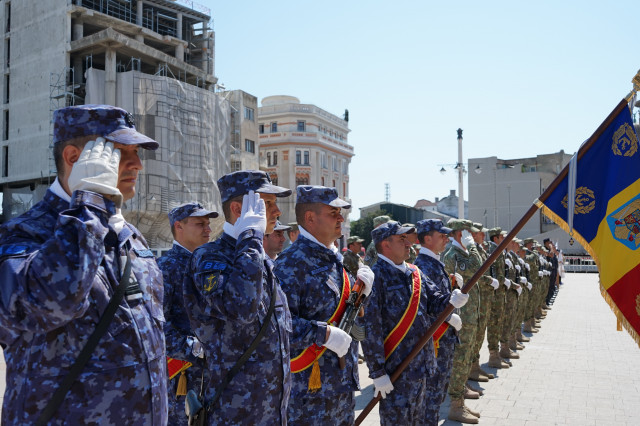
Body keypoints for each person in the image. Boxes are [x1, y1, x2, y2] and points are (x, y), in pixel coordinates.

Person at [0, 104, 167, 424]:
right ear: (74, 158)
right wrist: (89, 202)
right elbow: (52, 301)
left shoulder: (132, 237)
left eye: (136, 152)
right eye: (120, 152)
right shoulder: (22, 235)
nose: (137, 164)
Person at [182, 170, 292, 424]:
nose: (277, 211)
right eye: (268, 203)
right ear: (237, 208)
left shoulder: (259, 258)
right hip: (234, 412)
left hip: (272, 410)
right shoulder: (210, 257)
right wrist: (251, 236)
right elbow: (242, 308)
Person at [274, 185, 374, 426]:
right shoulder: (290, 264)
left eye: (340, 213)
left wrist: (363, 296)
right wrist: (323, 334)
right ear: (310, 218)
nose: (341, 218)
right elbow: (277, 327)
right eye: (333, 213)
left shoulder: (336, 261)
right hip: (308, 396)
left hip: (340, 387)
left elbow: (353, 318)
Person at [361, 220, 468, 426]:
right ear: (386, 244)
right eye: (402, 239)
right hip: (396, 371)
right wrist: (377, 372)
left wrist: (452, 300)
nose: (409, 243)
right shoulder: (376, 277)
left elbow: (435, 302)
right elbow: (370, 329)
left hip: (422, 366)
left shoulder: (415, 272)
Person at [157, 202, 218, 425]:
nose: (208, 229)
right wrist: (194, 347)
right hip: (181, 377)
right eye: (200, 224)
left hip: (212, 374)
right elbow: (156, 325)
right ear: (179, 226)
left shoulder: (210, 265)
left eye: (208, 224)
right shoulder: (165, 267)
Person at [413, 219, 465, 425]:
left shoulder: (434, 262)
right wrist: (450, 318)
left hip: (443, 340)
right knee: (430, 398)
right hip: (436, 341)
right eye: (441, 236)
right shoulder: (424, 265)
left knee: (437, 394)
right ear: (427, 239)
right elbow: (425, 304)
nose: (446, 239)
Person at [442, 219, 484, 424]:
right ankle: (455, 406)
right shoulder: (454, 255)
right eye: (469, 232)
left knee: (466, 356)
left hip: (469, 313)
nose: (473, 236)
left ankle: (461, 392)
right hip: (462, 316)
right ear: (460, 234)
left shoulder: (463, 253)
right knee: (460, 358)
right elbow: (478, 267)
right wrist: (473, 247)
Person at [469, 223, 499, 384]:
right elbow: (475, 274)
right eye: (481, 233)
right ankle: (471, 368)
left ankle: (475, 365)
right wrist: (489, 281)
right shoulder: (472, 251)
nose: (483, 236)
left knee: (480, 334)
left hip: (485, 297)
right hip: (478, 297)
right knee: (476, 333)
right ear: (474, 235)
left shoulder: (480, 250)